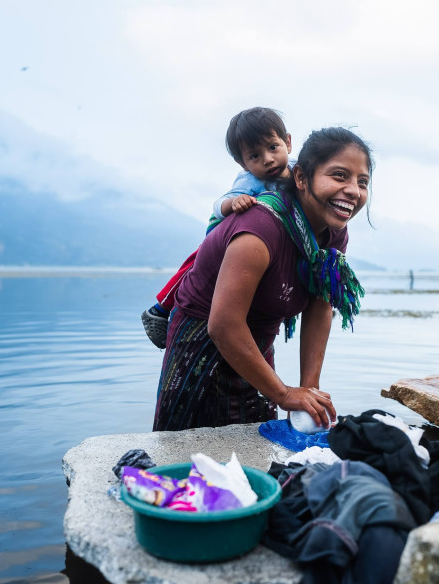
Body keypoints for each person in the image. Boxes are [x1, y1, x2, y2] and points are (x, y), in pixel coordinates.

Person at [153, 126, 373, 432]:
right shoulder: (260, 227)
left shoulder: (333, 231)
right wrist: (283, 394)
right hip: (201, 346)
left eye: (362, 182)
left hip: (256, 344)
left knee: (257, 445)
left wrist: (308, 391)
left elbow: (320, 307)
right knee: (187, 450)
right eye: (339, 176)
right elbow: (224, 324)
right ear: (301, 178)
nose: (353, 190)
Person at [141, 107, 294, 348]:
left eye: (273, 147)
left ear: (288, 142)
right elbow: (217, 205)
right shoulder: (250, 180)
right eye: (254, 156)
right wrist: (234, 203)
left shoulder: (299, 172)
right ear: (242, 163)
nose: (267, 159)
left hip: (262, 245)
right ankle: (160, 309)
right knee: (194, 267)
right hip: (224, 236)